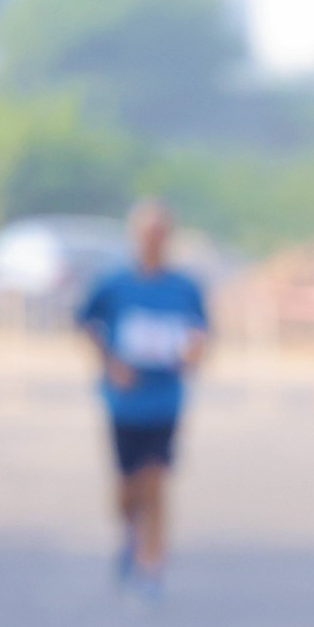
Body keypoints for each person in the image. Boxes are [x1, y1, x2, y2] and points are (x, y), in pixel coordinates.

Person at [75, 200, 208, 595]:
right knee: (127, 486)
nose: (153, 241)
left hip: (164, 400)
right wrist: (111, 363)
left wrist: (193, 354)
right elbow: (86, 322)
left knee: (156, 480)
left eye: (159, 234)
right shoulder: (114, 284)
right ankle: (129, 533)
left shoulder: (184, 288)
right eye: (146, 234)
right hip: (125, 402)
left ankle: (152, 563)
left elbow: (201, 334)